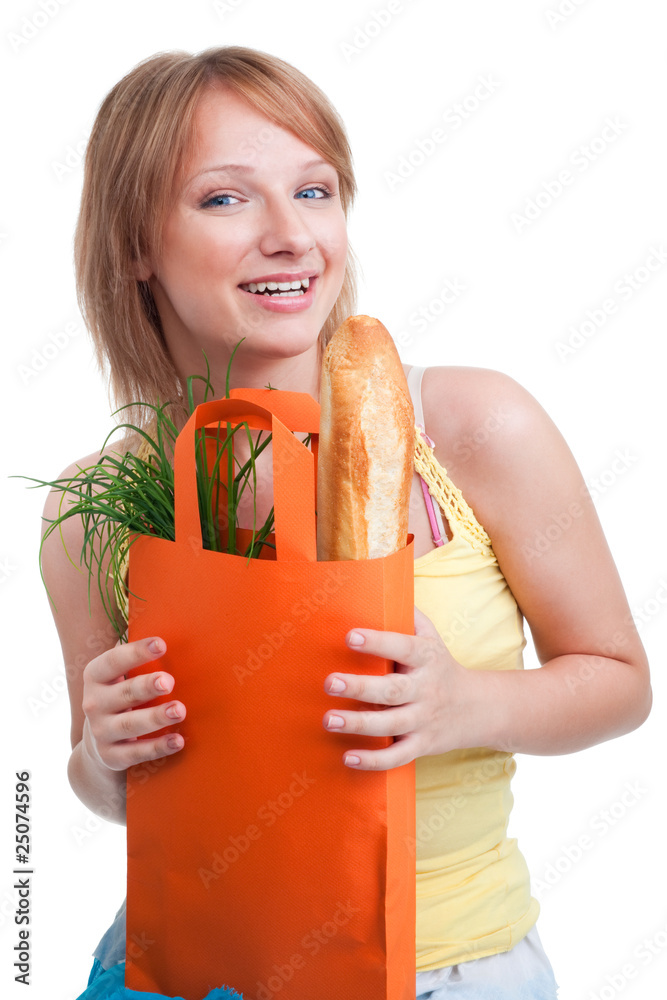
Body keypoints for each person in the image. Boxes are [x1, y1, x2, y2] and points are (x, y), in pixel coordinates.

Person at [40, 46, 651, 1000]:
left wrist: (465, 706)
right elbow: (111, 793)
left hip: (442, 967)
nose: (292, 236)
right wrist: (100, 755)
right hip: (177, 966)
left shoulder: (470, 428)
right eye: (224, 199)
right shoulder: (91, 511)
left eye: (315, 191)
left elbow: (619, 681)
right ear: (134, 246)